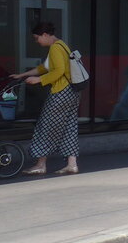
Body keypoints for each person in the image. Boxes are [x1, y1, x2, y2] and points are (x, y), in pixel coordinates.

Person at [9, 22, 81, 176]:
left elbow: (59, 71)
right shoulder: (62, 45)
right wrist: (23, 75)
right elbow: (44, 67)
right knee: (69, 127)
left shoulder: (55, 48)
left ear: (45, 35)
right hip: (72, 93)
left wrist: (39, 80)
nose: (37, 41)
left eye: (37, 38)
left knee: (45, 126)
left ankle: (40, 165)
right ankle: (72, 164)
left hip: (61, 93)